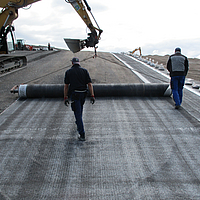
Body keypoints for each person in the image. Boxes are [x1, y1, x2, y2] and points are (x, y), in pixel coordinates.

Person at [64, 57, 95, 141]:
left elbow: (66, 86)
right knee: (79, 110)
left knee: (77, 113)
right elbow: (89, 84)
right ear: (79, 63)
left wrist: (65, 97)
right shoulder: (84, 71)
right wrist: (92, 95)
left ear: (72, 63)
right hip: (83, 94)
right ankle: (78, 124)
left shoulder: (69, 72)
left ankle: (82, 134)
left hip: (75, 94)